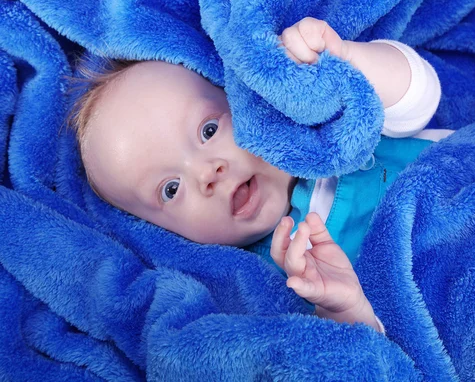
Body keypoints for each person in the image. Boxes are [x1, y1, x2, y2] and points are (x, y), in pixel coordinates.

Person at [71, 17, 451, 334]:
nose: (207, 173)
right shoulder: (273, 284)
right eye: (171, 189)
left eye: (208, 131)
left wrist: (348, 62)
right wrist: (343, 309)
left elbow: (421, 98)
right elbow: (373, 356)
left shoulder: (321, 122)